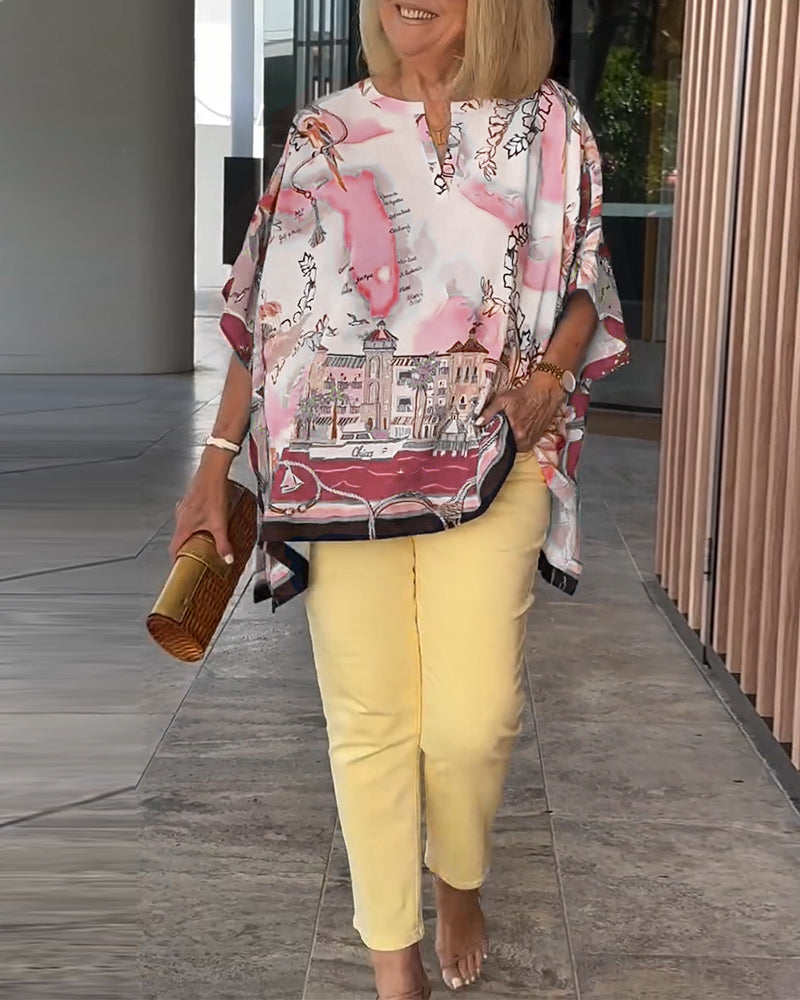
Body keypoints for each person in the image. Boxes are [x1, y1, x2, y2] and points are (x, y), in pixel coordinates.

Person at [171, 1, 628, 996]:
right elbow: (262, 312)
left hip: (492, 455)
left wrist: (550, 380)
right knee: (369, 716)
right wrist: (215, 461)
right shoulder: (323, 131)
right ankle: (394, 961)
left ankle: (456, 876)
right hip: (335, 473)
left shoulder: (549, 122)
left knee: (473, 720)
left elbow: (585, 275)